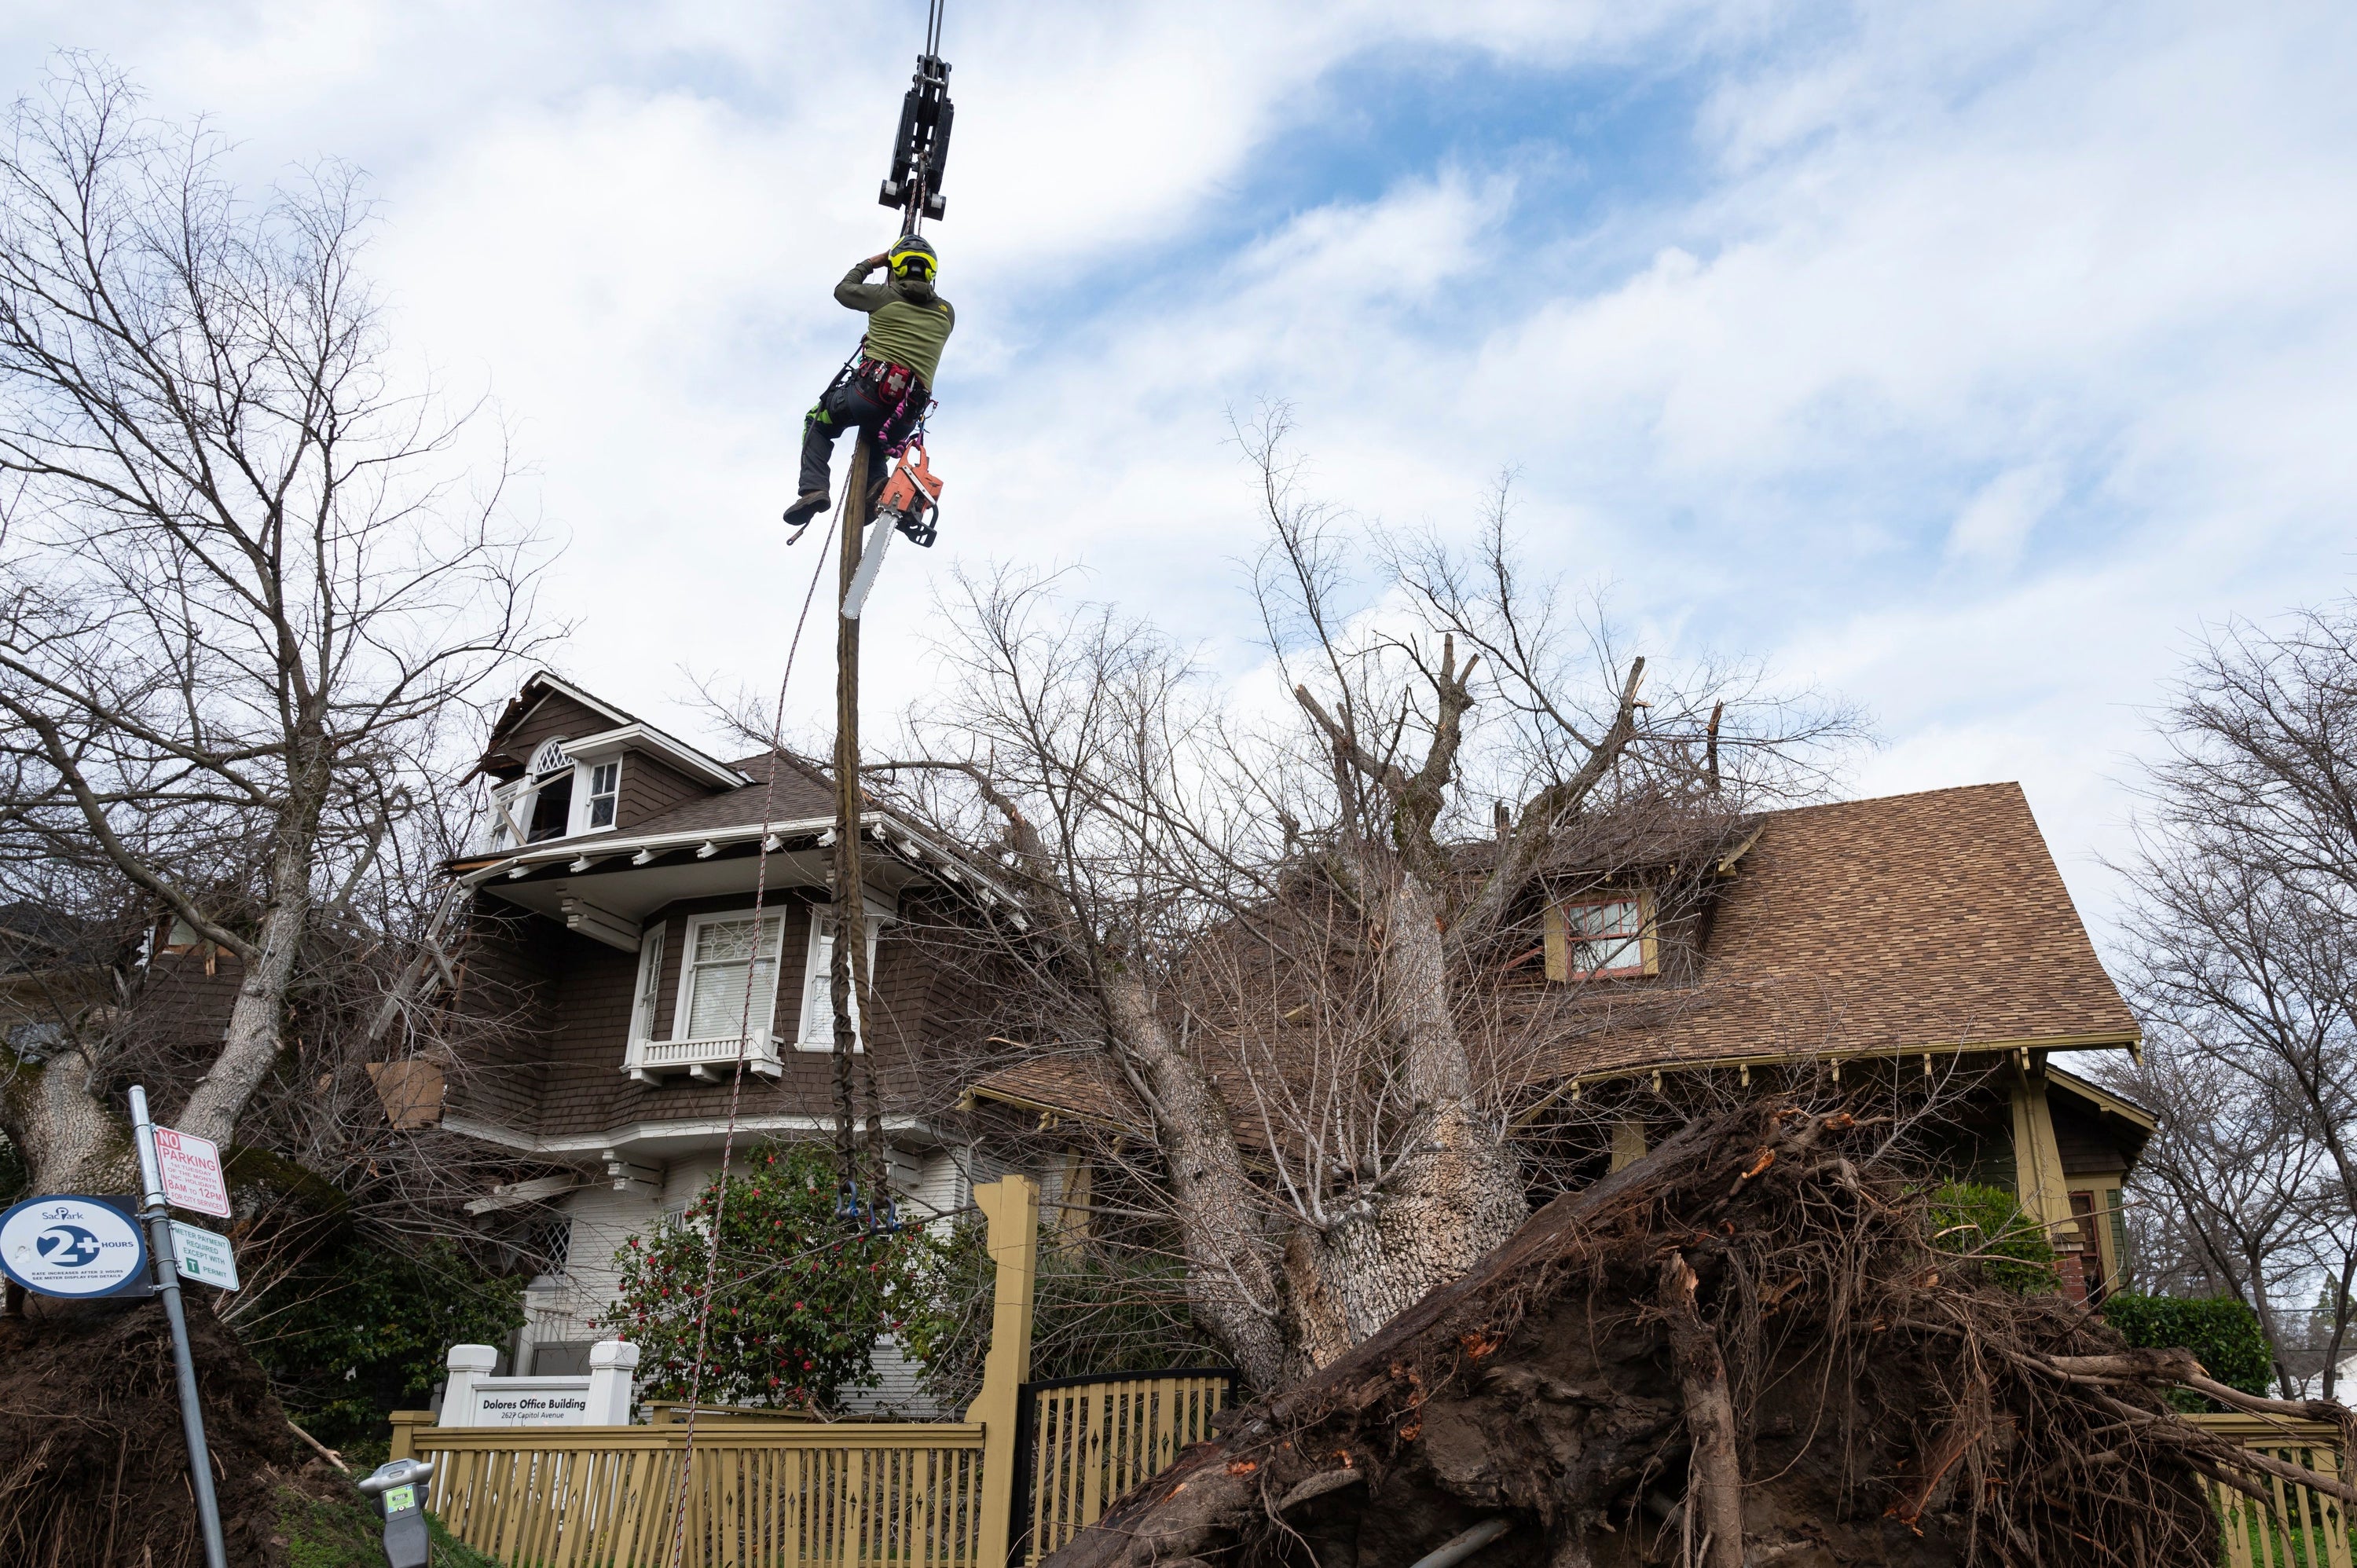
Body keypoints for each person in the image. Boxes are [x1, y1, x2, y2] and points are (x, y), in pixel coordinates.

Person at [783, 235, 955, 528]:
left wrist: (872, 262)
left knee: (818, 421)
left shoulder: (883, 297)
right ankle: (876, 487)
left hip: (868, 394)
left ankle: (813, 488)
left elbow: (843, 291)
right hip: (907, 413)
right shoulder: (946, 313)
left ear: (896, 268)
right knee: (879, 442)